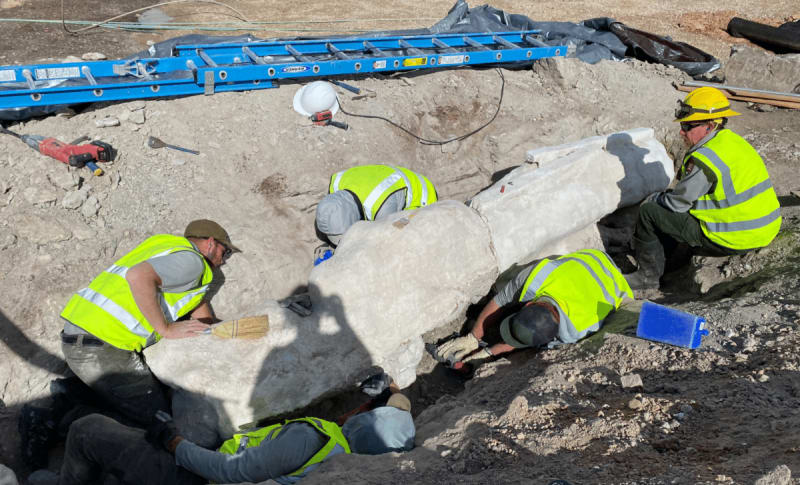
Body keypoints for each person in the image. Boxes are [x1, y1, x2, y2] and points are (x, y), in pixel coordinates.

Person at [54, 374, 415, 485]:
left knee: (88, 429)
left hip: (200, 475)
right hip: (216, 461)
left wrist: (174, 442)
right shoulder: (351, 456)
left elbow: (231, 472)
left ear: (362, 418)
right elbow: (395, 419)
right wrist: (392, 393)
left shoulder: (312, 438)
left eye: (370, 408)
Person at [58, 219, 239, 425]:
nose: (224, 261)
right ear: (210, 243)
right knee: (158, 421)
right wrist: (166, 329)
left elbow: (197, 308)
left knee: (143, 397)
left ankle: (74, 392)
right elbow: (139, 276)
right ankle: (59, 415)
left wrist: (220, 331)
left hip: (84, 333)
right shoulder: (193, 262)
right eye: (225, 253)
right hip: (102, 343)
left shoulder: (165, 249)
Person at [625, 87, 781, 291]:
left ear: (710, 125)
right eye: (683, 125)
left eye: (688, 126)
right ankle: (670, 260)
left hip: (735, 237)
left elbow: (677, 204)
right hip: (765, 228)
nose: (682, 131)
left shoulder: (706, 159)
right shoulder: (732, 142)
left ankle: (647, 279)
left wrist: (656, 199)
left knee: (649, 212)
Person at [434, 249, 632, 366]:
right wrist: (473, 337)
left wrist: (489, 353)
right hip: (591, 258)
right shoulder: (537, 278)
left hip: (617, 285)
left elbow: (528, 340)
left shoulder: (576, 332)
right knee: (506, 282)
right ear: (528, 303)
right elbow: (501, 300)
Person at [315, 164, 438, 248]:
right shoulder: (336, 184)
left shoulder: (381, 206)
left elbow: (383, 243)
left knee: (401, 241)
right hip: (386, 180)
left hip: (422, 196)